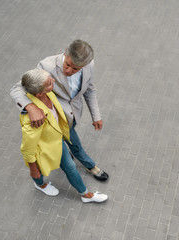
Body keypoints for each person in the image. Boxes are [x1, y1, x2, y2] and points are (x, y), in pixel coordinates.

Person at [10, 39, 109, 181]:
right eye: (67, 65)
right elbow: (16, 89)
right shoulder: (46, 65)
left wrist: (96, 116)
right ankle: (90, 166)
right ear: (65, 53)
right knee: (75, 144)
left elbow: (90, 90)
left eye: (75, 69)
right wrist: (30, 107)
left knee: (69, 142)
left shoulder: (89, 65)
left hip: (73, 115)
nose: (69, 71)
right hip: (54, 120)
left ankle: (67, 155)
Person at [19, 68, 107, 203]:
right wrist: (33, 168)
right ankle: (40, 184)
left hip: (57, 139)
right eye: (49, 83)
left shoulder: (47, 94)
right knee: (39, 171)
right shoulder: (32, 119)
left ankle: (85, 195)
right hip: (44, 149)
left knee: (70, 167)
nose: (53, 81)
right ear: (40, 93)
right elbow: (27, 148)